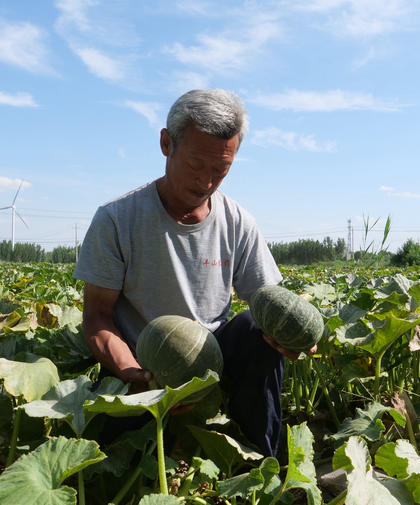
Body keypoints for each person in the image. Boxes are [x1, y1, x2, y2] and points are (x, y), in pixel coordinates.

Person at [74, 89, 313, 457]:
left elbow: (268, 303)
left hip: (215, 358)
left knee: (254, 328)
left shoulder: (238, 222)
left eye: (221, 169)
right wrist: (131, 373)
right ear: (166, 143)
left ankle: (261, 464)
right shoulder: (116, 219)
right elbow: (97, 317)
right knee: (117, 451)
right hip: (144, 363)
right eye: (197, 164)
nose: (206, 181)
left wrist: (291, 335)